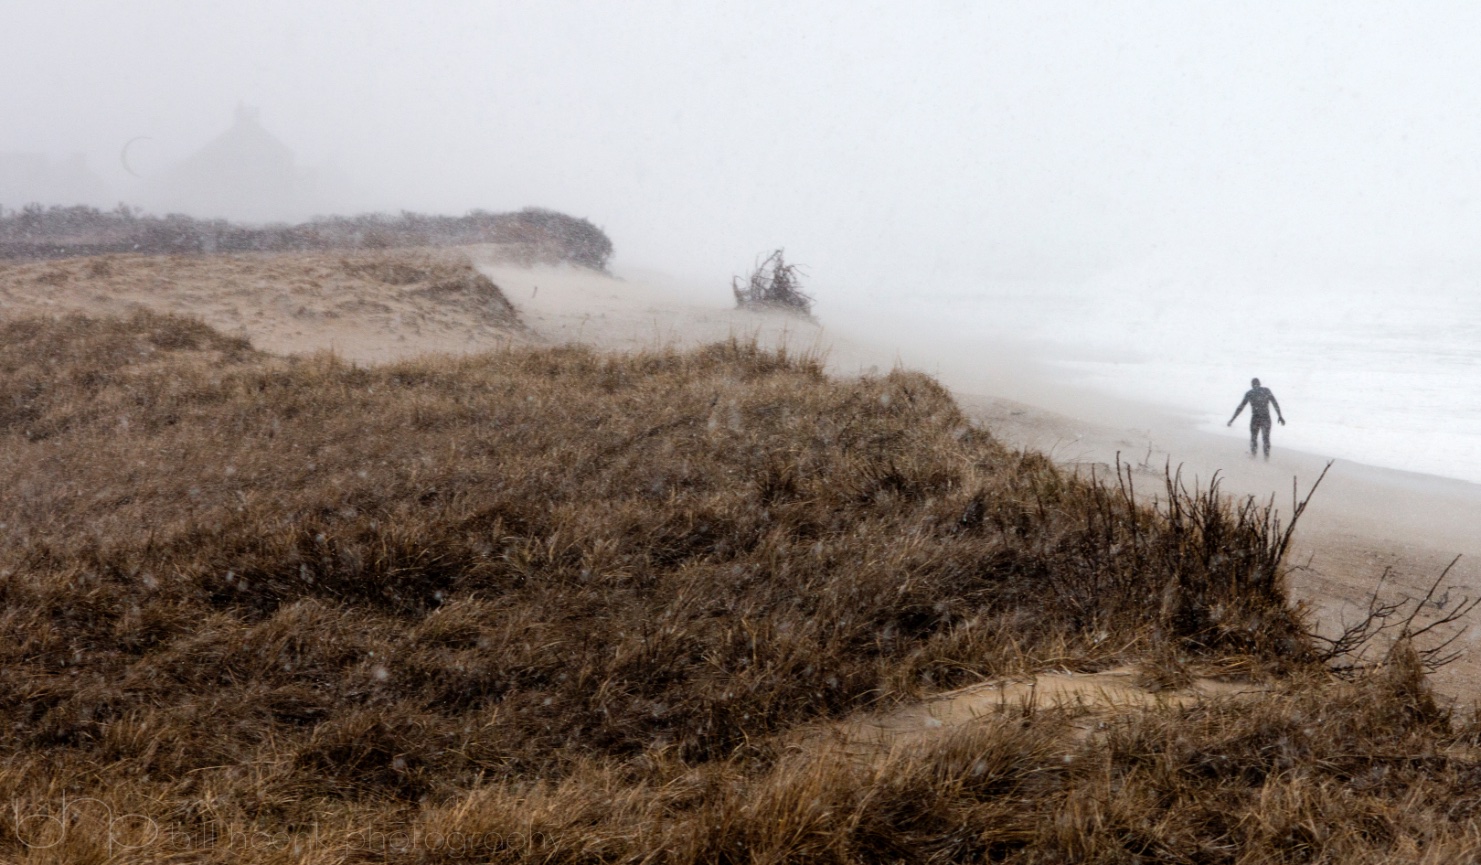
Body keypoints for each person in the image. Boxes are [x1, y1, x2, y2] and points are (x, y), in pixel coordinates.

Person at [1227, 377, 1285, 459]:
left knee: (1254, 438)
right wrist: (1280, 415)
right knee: (1266, 438)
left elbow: (1240, 407)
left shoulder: (1250, 393)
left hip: (1255, 418)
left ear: (1252, 385)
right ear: (1260, 384)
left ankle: (1254, 456)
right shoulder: (1266, 391)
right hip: (1266, 418)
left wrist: (1232, 419)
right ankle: (1266, 458)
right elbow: (1275, 403)